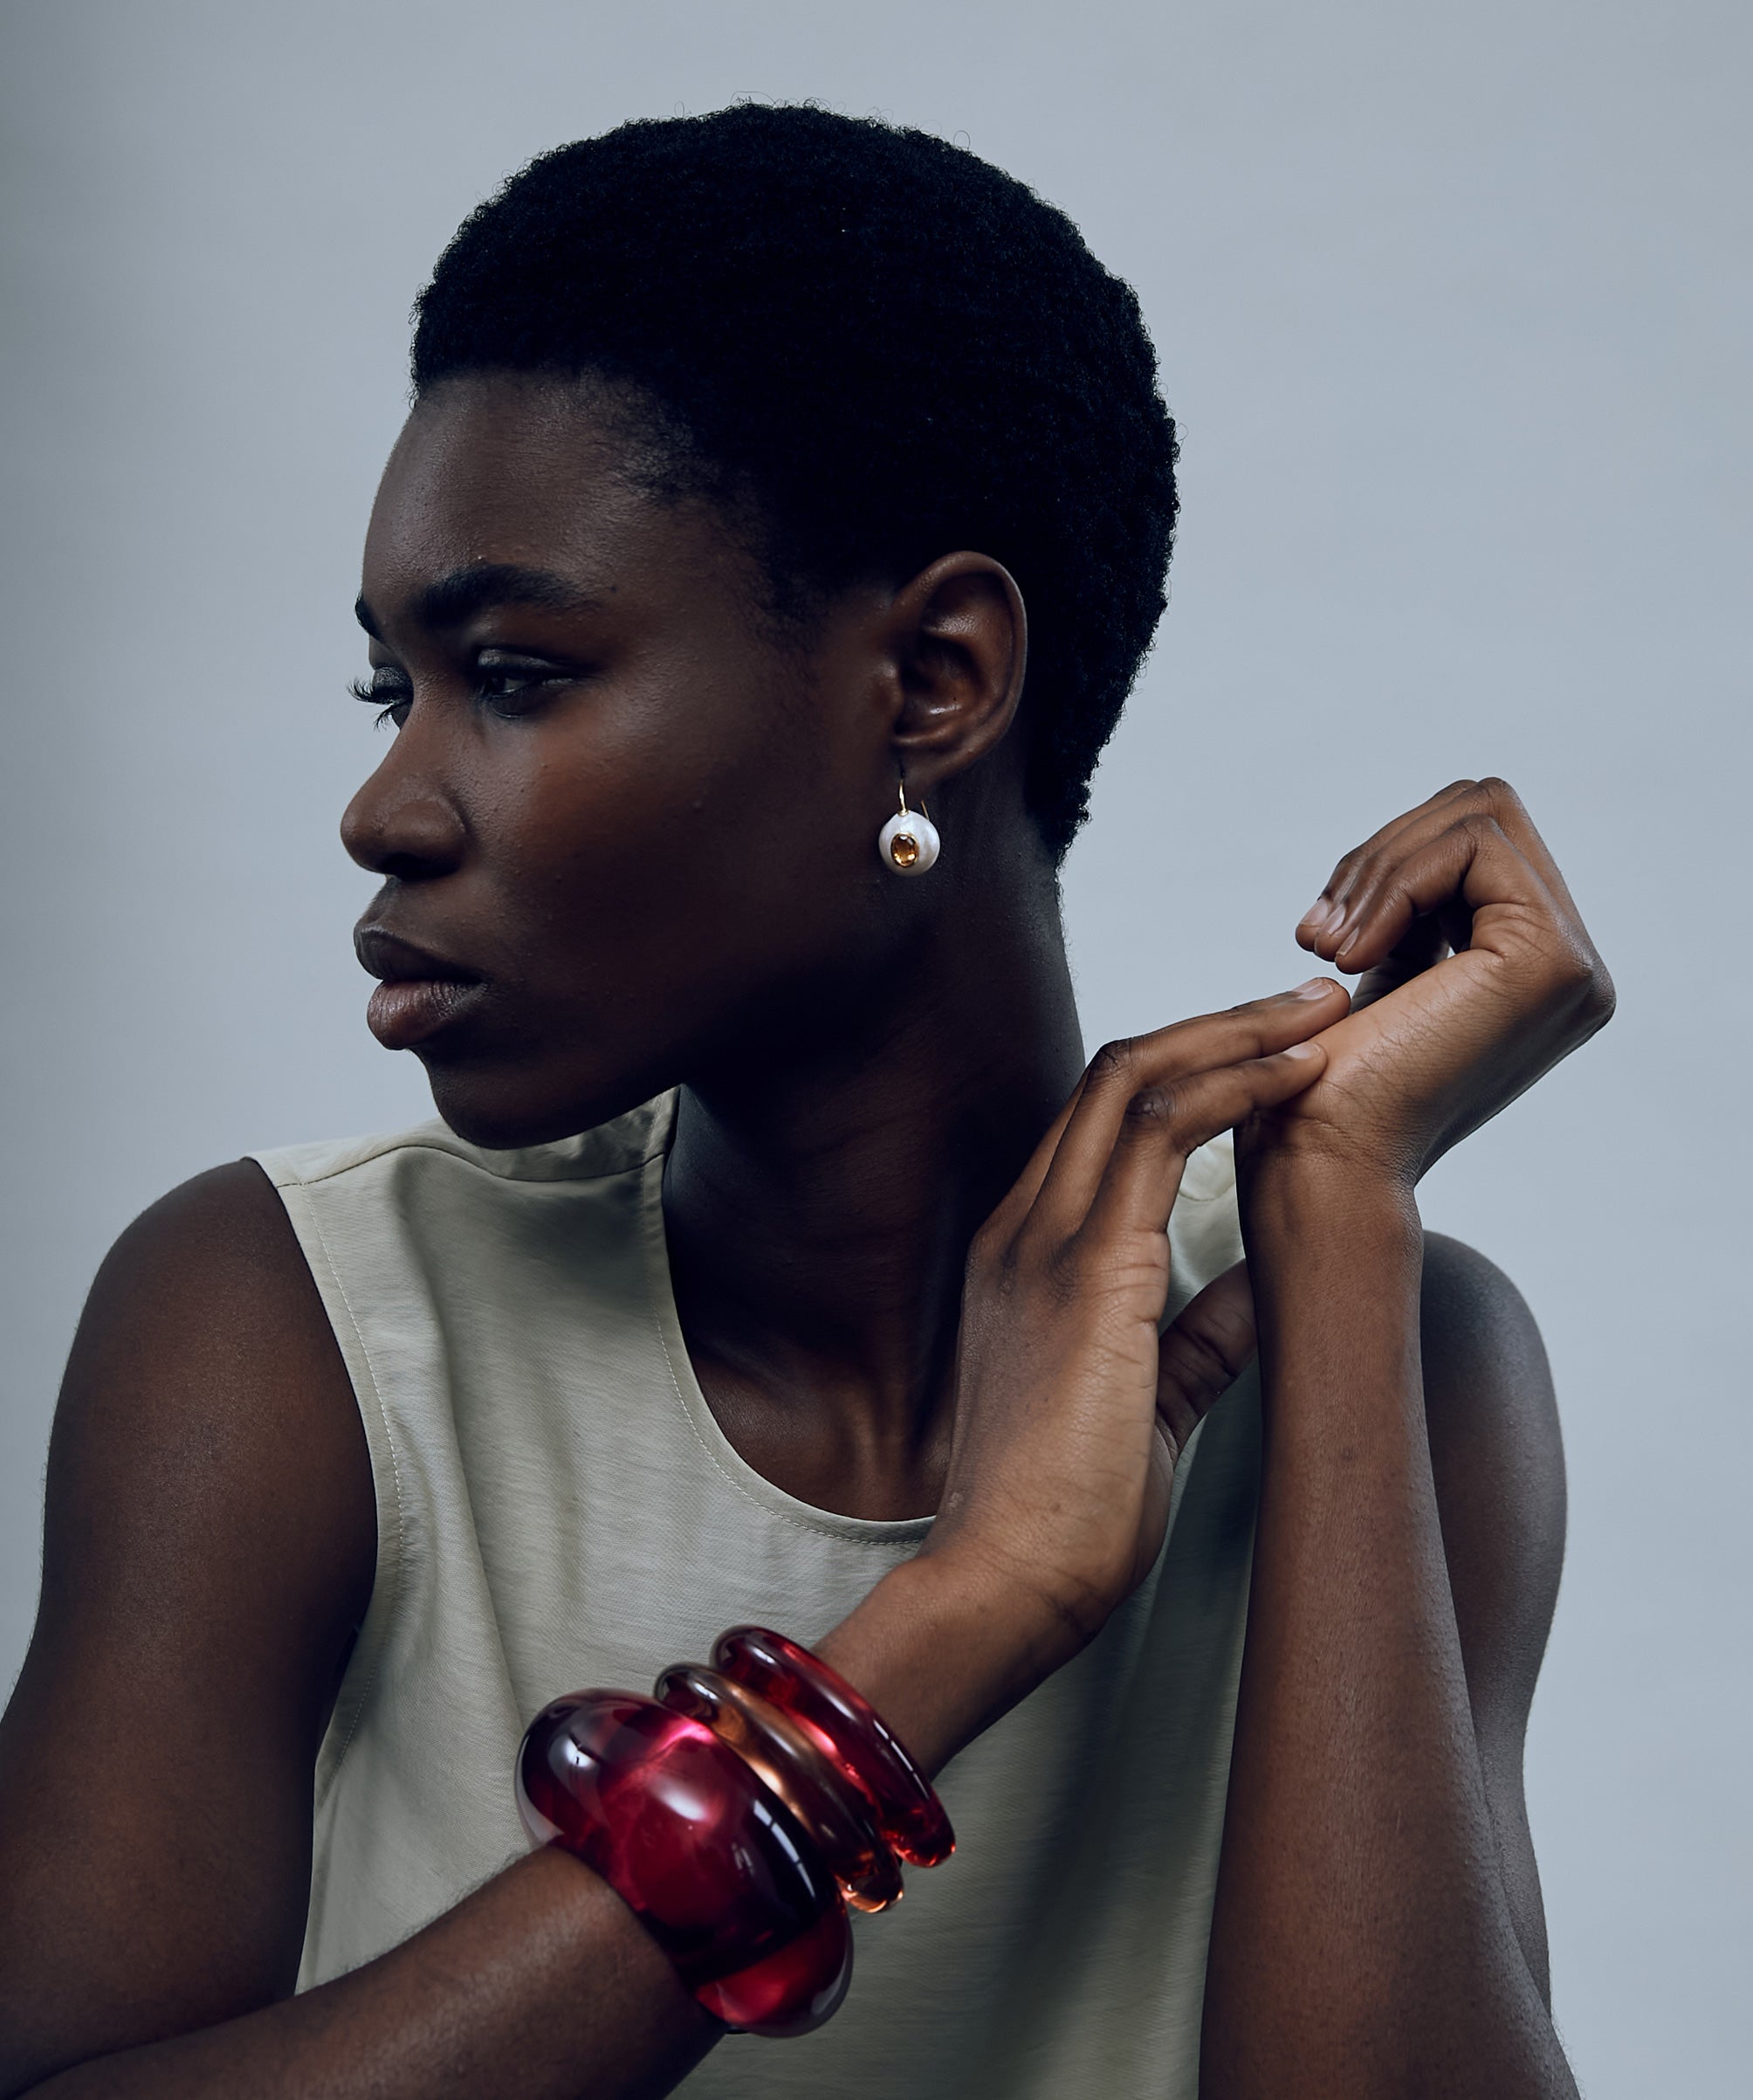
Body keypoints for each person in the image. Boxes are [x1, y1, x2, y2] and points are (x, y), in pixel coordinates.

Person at [0, 104, 1611, 2099]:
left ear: (931, 681)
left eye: (512, 672)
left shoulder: (1388, 1352)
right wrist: (965, 1613)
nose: (387, 806)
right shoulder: (292, 1322)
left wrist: (1344, 1213)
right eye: (390, 690)